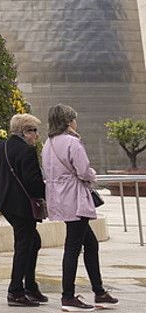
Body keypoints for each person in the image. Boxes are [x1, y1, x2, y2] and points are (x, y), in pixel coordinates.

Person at [41, 103, 117, 310]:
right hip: (75, 198)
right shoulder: (72, 143)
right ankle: (68, 296)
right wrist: (91, 175)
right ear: (68, 121)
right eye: (74, 118)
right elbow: (83, 171)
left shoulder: (48, 144)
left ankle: (99, 291)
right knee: (73, 247)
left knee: (90, 244)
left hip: (59, 198)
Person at [0, 113, 48, 307]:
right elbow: (33, 181)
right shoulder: (27, 151)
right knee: (25, 244)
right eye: (34, 131)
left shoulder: (2, 147)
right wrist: (45, 196)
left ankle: (30, 285)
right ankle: (16, 291)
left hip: (6, 204)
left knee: (33, 241)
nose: (37, 135)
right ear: (26, 131)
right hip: (22, 206)